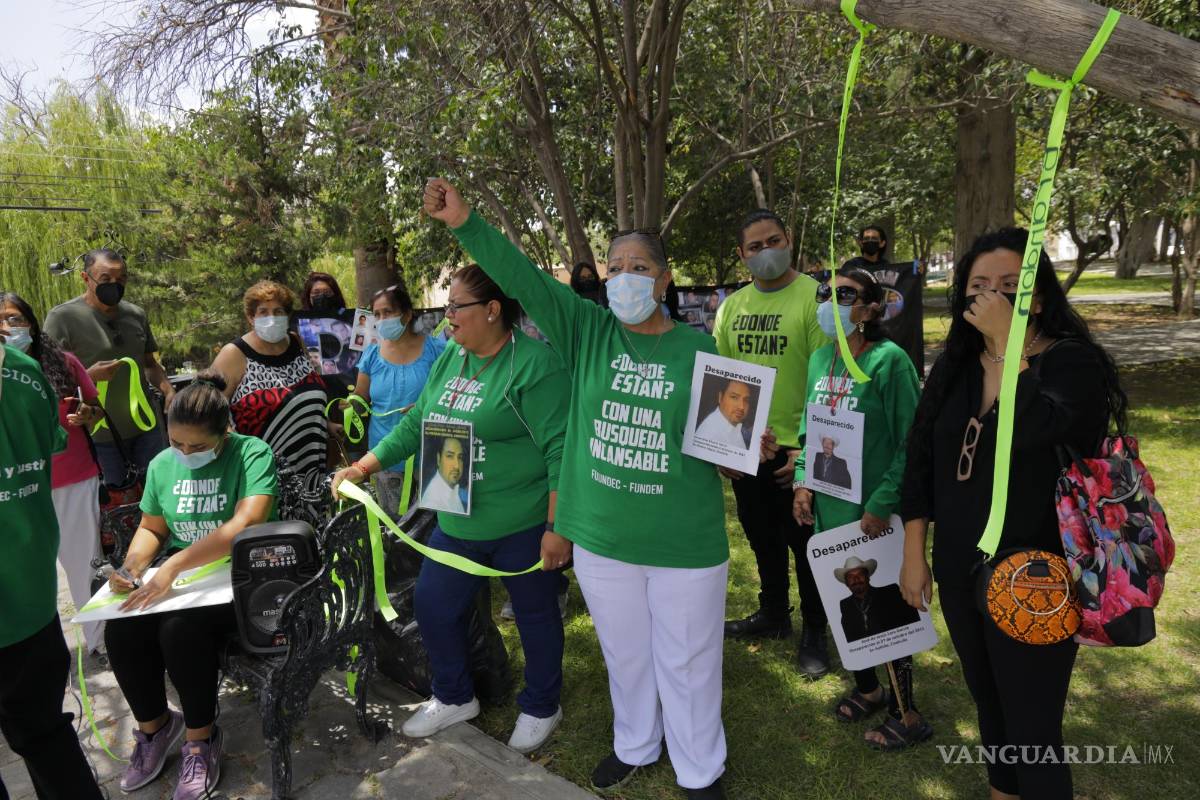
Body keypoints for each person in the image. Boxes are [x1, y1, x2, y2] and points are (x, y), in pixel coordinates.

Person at [422, 178, 730, 800]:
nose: (623, 277)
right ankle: (636, 745)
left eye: (638, 267)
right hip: (603, 539)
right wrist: (466, 223)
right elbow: (524, 278)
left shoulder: (700, 348)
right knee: (626, 653)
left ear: (665, 281)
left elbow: (724, 445)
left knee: (689, 662)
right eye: (614, 266)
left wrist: (749, 451)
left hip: (683, 541)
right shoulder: (588, 332)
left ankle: (700, 770)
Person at [899, 228, 1121, 799]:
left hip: (1037, 569)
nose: (992, 296)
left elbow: (1041, 428)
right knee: (990, 705)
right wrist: (913, 556)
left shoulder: (1070, 363)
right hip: (958, 566)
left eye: (1009, 286)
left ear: (1038, 296)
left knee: (1034, 727)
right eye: (979, 286)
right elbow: (921, 464)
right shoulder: (955, 368)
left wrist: (1009, 345)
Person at [331, 263, 570, 753]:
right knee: (434, 606)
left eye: (456, 307)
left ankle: (543, 703)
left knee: (534, 614)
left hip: (522, 523)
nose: (447, 318)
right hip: (455, 516)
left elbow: (561, 451)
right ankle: (455, 696)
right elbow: (418, 420)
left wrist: (556, 526)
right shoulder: (452, 359)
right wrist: (363, 467)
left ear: (493, 310)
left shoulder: (534, 365)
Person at [104, 372, 276, 800]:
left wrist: (175, 565)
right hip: (185, 579)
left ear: (225, 432)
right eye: (177, 444)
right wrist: (133, 566)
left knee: (179, 629)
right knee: (122, 626)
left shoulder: (250, 453)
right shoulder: (163, 465)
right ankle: (156, 728)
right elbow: (151, 527)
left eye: (197, 447)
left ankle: (201, 739)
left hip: (241, 579)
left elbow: (246, 522)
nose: (184, 453)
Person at [792, 264, 928, 750]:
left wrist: (882, 501)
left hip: (875, 514)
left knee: (887, 611)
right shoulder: (819, 359)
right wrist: (804, 485)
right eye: (825, 294)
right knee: (846, 603)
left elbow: (914, 441)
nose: (830, 302)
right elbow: (811, 430)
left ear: (871, 308)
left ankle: (906, 712)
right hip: (830, 511)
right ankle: (868, 689)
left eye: (844, 295)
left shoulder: (890, 362)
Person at [712, 209, 830, 678]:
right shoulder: (730, 308)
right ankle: (774, 614)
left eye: (773, 240)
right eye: (755, 247)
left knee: (807, 546)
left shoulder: (815, 301)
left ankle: (816, 632)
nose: (766, 252)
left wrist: (809, 452)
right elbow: (722, 383)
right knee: (761, 537)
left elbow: (827, 381)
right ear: (741, 256)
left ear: (790, 239)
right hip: (748, 447)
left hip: (799, 452)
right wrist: (727, 446)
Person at [0, 341, 104, 800]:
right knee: (46, 737)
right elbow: (51, 441)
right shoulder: (24, 371)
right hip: (30, 594)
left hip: (24, 596)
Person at [1, 293, 106, 653]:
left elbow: (95, 409)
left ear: (31, 322)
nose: (8, 328)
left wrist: (87, 416)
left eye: (15, 319)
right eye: (1, 320)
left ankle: (99, 640)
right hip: (17, 486)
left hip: (72, 478)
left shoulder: (63, 363)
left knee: (83, 563)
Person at [43, 248, 173, 485]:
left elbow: (150, 364)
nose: (115, 284)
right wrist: (88, 376)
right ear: (86, 278)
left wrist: (168, 389)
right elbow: (49, 379)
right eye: (105, 279)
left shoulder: (136, 314)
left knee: (159, 500)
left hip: (147, 430)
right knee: (110, 510)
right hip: (98, 435)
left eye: (121, 278)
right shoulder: (62, 318)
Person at [210, 281, 331, 501]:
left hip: (311, 467)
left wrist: (326, 423)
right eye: (263, 312)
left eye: (278, 311)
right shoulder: (234, 355)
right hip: (261, 476)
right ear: (250, 317)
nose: (272, 317)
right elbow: (207, 412)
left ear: (287, 315)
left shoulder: (296, 342)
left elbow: (303, 395)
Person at [346, 284, 446, 516]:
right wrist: (351, 407)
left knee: (434, 525)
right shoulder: (371, 354)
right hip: (384, 457)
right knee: (393, 528)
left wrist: (427, 406)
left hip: (432, 454)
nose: (382, 319)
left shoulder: (438, 350)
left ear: (407, 314)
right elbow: (361, 398)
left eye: (388, 312)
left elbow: (451, 392)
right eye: (377, 314)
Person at [841, 225, 925, 374]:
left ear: (882, 243)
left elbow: (900, 288)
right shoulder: (851, 266)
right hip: (857, 322)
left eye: (874, 239)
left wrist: (916, 270)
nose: (870, 241)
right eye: (866, 239)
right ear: (860, 243)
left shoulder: (888, 266)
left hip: (879, 323)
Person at [834, 557, 919, 642]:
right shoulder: (845, 605)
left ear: (868, 577)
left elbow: (913, 621)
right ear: (847, 583)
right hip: (866, 653)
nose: (856, 579)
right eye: (850, 577)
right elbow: (849, 637)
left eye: (860, 574)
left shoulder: (891, 592)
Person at [695, 378, 752, 449]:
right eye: (734, 397)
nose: (742, 407)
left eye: (746, 400)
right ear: (720, 397)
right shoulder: (711, 435)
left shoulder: (732, 426)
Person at [421, 435, 469, 513]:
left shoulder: (453, 491)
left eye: (460, 457)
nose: (456, 465)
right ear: (438, 459)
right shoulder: (433, 502)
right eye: (450, 456)